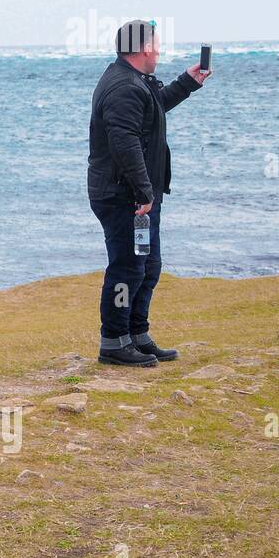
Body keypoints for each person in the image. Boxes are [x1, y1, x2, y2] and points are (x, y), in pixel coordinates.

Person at [88, 19, 211, 366]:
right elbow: (124, 143)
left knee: (147, 266)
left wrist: (188, 82)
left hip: (139, 198)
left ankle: (136, 335)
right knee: (128, 268)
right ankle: (113, 342)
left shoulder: (134, 82)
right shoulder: (123, 86)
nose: (159, 50)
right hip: (124, 198)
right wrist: (144, 193)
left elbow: (153, 108)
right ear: (143, 48)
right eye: (156, 44)